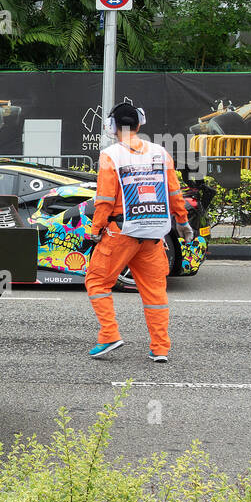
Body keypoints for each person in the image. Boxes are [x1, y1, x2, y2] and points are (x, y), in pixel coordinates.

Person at [83, 102, 192, 361]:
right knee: (155, 293)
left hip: (120, 233)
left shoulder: (111, 155)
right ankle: (160, 349)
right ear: (140, 124)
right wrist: (183, 222)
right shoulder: (160, 153)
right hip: (154, 234)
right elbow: (175, 193)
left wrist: (96, 229)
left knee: (97, 281)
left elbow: (105, 199)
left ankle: (109, 335)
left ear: (112, 127)